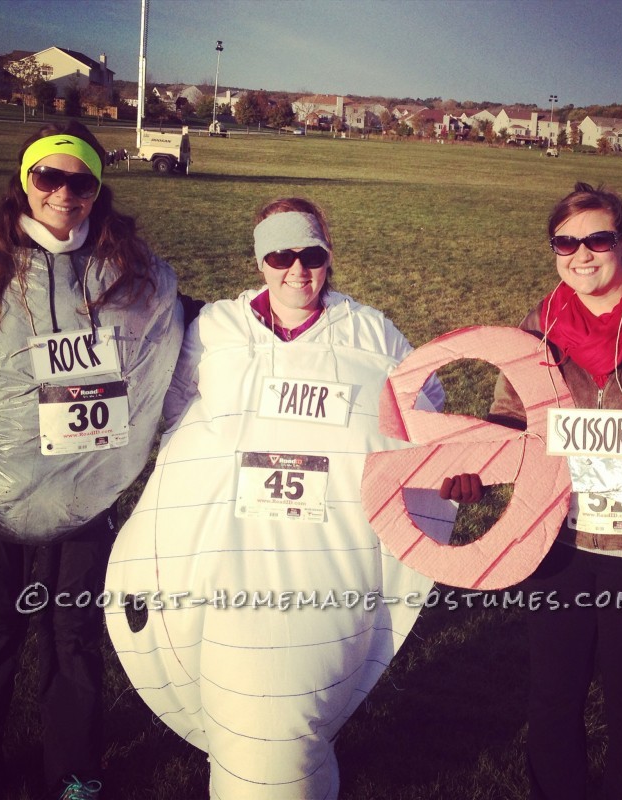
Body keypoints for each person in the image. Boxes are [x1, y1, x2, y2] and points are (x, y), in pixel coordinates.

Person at [105, 197, 445, 799]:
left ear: (328, 256)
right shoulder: (218, 328)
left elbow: (429, 410)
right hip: (230, 554)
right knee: (241, 706)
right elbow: (180, 409)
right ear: (260, 260)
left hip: (326, 553)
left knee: (301, 705)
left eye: (310, 254)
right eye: (280, 255)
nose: (297, 270)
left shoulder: (372, 332)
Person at [441, 182, 622, 800]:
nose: (582, 254)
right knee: (553, 699)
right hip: (558, 543)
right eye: (565, 243)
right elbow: (510, 420)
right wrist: (473, 464)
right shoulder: (539, 326)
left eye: (597, 239)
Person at [0, 120, 184, 800]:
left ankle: (75, 772)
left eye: (81, 181)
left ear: (97, 191)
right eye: (49, 176)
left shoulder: (129, 272)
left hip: (83, 493)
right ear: (24, 181)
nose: (64, 192)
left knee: (72, 630)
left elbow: (188, 321)